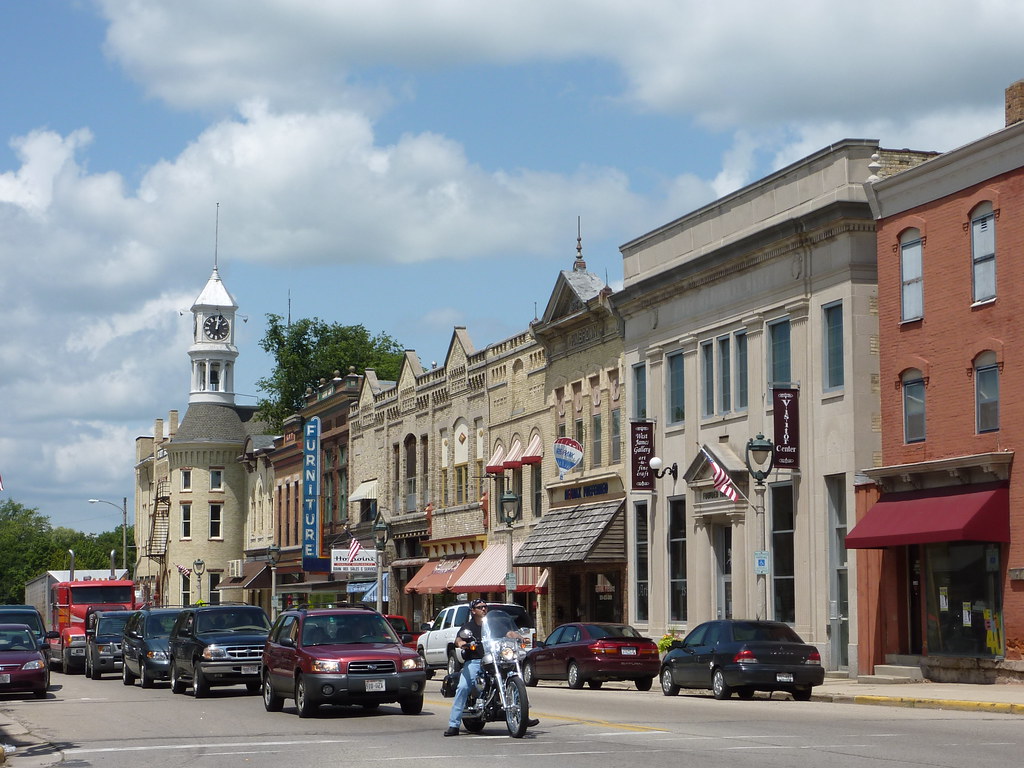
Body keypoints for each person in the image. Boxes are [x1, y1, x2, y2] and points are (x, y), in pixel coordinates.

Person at [443, 599, 538, 736]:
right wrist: (463, 643)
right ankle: (454, 724)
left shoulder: (494, 624)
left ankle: (523, 715)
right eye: (480, 607)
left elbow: (509, 633)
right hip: (476, 660)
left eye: (485, 606)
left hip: (495, 658)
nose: (483, 609)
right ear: (473, 611)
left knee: (515, 678)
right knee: (463, 687)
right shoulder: (468, 627)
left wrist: (520, 637)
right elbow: (458, 639)